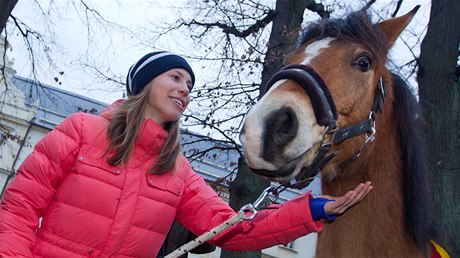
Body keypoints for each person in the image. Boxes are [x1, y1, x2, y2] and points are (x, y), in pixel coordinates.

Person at [0, 51, 373, 257]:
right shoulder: (80, 131)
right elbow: (17, 210)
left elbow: (233, 229)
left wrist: (310, 209)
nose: (185, 89)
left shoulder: (176, 172)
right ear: (146, 84)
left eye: (190, 84)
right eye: (175, 77)